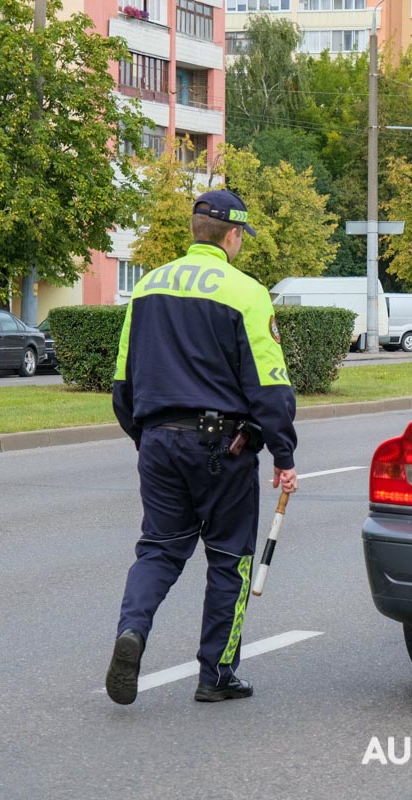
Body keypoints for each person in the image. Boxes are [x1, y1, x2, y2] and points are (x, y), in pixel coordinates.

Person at [106, 189, 298, 706]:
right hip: (223, 448)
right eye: (241, 236)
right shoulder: (246, 292)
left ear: (195, 231)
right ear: (232, 235)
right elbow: (270, 385)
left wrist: (144, 437)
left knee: (159, 549)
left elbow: (123, 380)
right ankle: (216, 674)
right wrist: (283, 454)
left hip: (158, 440)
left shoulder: (146, 286)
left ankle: (132, 630)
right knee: (230, 559)